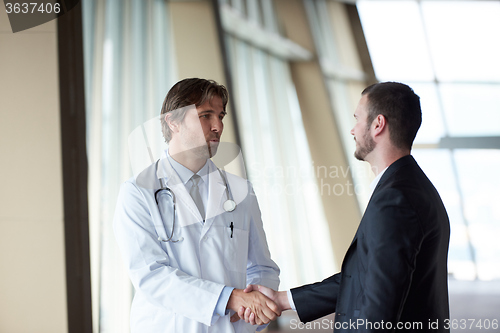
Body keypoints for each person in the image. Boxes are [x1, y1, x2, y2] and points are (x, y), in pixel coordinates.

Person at [239, 82, 451, 332]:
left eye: (357, 118)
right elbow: (363, 278)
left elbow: (380, 309)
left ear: (378, 125)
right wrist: (281, 299)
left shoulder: (395, 199)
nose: (352, 129)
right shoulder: (409, 186)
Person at [113, 78, 280, 332]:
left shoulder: (240, 190)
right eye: (206, 115)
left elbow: (261, 266)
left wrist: (254, 310)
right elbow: (151, 275)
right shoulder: (138, 192)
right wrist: (231, 298)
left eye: (221, 116)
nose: (218, 126)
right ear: (173, 121)